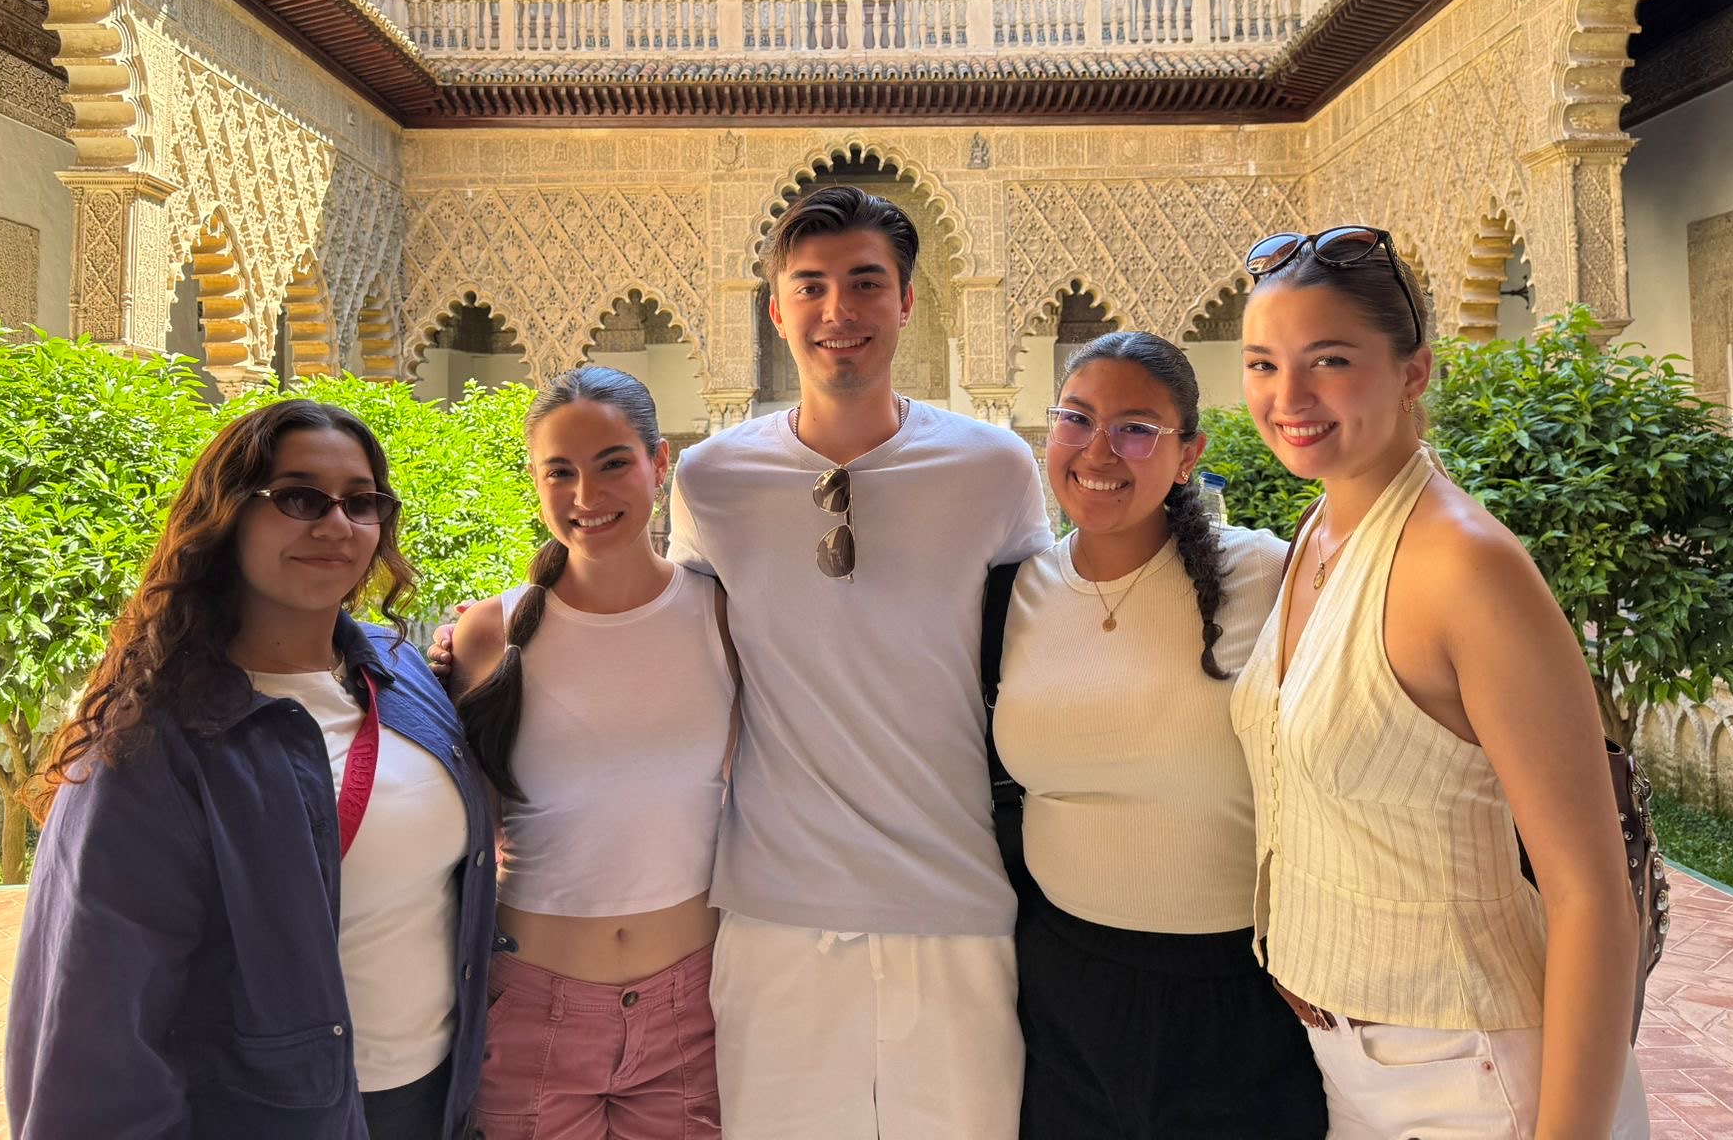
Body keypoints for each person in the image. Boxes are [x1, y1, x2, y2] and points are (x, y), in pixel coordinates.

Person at [1227, 226, 1650, 1140]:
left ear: (1413, 371)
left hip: (1475, 1075)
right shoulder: (1321, 533)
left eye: (1328, 360)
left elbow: (1590, 893)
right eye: (1263, 363)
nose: (1287, 397)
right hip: (1353, 1066)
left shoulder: (1464, 567)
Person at [665, 184, 1054, 1140]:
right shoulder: (710, 481)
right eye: (811, 288)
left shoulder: (994, 469)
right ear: (775, 309)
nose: (838, 313)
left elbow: (1053, 636)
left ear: (909, 301)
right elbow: (670, 642)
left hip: (955, 901)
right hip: (776, 914)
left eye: (865, 284)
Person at [6, 399, 496, 1140]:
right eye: (298, 498)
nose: (336, 525)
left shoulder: (401, 674)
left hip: (437, 1100)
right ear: (229, 515)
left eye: (362, 502)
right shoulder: (155, 741)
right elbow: (94, 1020)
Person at [993, 330, 1327, 1140]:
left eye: (1137, 428)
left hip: (1238, 998)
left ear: (1189, 455)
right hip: (1061, 991)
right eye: (1076, 418)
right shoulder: (1011, 594)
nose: (1099, 450)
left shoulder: (1269, 575)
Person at [445, 366, 734, 1139]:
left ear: (659, 463)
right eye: (560, 472)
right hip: (533, 1010)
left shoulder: (723, 617)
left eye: (613, 463)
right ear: (533, 481)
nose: (586, 495)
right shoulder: (488, 635)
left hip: (691, 1013)